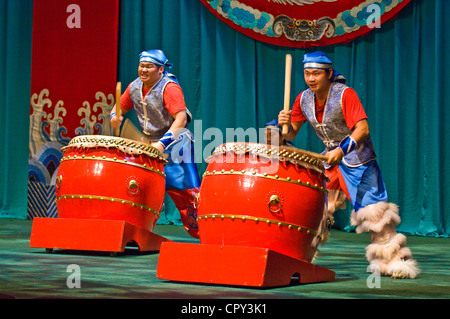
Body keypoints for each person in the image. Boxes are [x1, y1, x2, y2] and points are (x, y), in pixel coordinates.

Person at [278, 51, 419, 279]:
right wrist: (282, 126)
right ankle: (300, 256)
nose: (311, 79)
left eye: (316, 74)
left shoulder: (345, 94)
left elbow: (362, 129)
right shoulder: (303, 99)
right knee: (315, 205)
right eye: (307, 74)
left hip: (358, 159)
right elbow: (291, 132)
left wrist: (342, 150)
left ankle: (393, 261)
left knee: (374, 212)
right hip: (329, 159)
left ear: (329, 74)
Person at [110, 49, 200, 239]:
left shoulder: (169, 87)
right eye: (142, 66)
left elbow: (181, 119)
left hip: (175, 143)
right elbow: (119, 108)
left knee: (185, 192)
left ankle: (203, 230)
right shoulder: (134, 87)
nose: (144, 70)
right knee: (138, 186)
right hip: (151, 143)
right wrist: (114, 117)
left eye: (149, 67)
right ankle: (135, 231)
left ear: (160, 70)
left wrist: (161, 144)